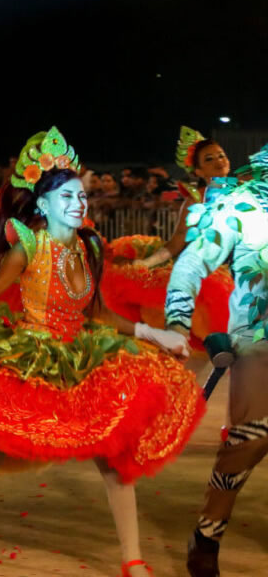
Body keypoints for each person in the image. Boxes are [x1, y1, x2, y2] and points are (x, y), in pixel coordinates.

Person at [0, 127, 205, 577]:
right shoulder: (27, 248)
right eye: (68, 197)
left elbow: (98, 313)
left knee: (114, 461)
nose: (79, 204)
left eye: (81, 195)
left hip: (82, 359)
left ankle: (133, 559)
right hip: (31, 360)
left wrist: (154, 335)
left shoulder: (89, 246)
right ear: (43, 205)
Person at [158, 146, 268, 577]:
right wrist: (178, 317)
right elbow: (190, 262)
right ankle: (208, 533)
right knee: (249, 440)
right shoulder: (238, 207)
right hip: (259, 339)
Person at [101, 127, 233, 352]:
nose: (218, 161)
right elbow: (175, 243)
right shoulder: (195, 202)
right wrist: (143, 265)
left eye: (221, 155)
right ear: (199, 171)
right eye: (209, 159)